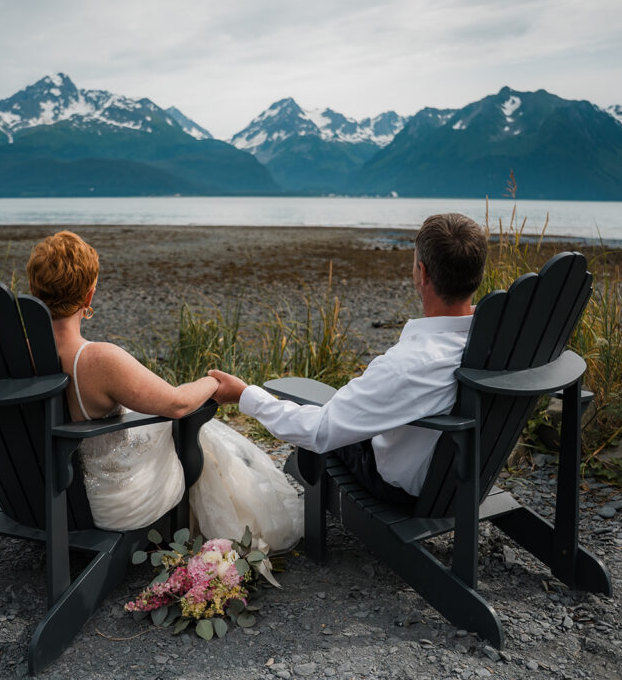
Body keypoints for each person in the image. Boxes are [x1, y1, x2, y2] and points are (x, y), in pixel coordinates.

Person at [24, 230, 301, 552]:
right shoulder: (97, 359)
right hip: (99, 505)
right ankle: (198, 526)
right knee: (193, 426)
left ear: (32, 289)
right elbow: (178, 403)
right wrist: (213, 382)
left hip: (32, 490)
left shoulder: (11, 353)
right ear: (89, 296)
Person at [209, 213, 488, 505]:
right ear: (477, 274)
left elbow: (319, 431)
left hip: (410, 491)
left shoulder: (409, 365)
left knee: (320, 421)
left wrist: (245, 395)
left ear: (423, 272)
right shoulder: (495, 337)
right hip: (465, 477)